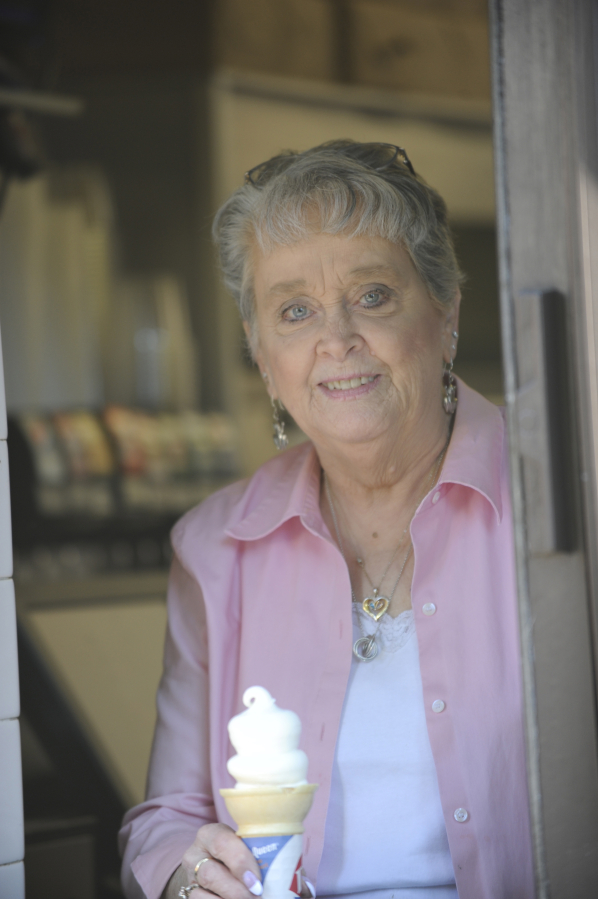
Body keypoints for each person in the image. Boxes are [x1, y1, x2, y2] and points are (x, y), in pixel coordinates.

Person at [119, 140, 534, 899]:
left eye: (373, 294)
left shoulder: (553, 506)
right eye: (295, 310)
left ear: (446, 314)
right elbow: (168, 817)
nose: (335, 338)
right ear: (261, 352)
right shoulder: (216, 549)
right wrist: (188, 875)